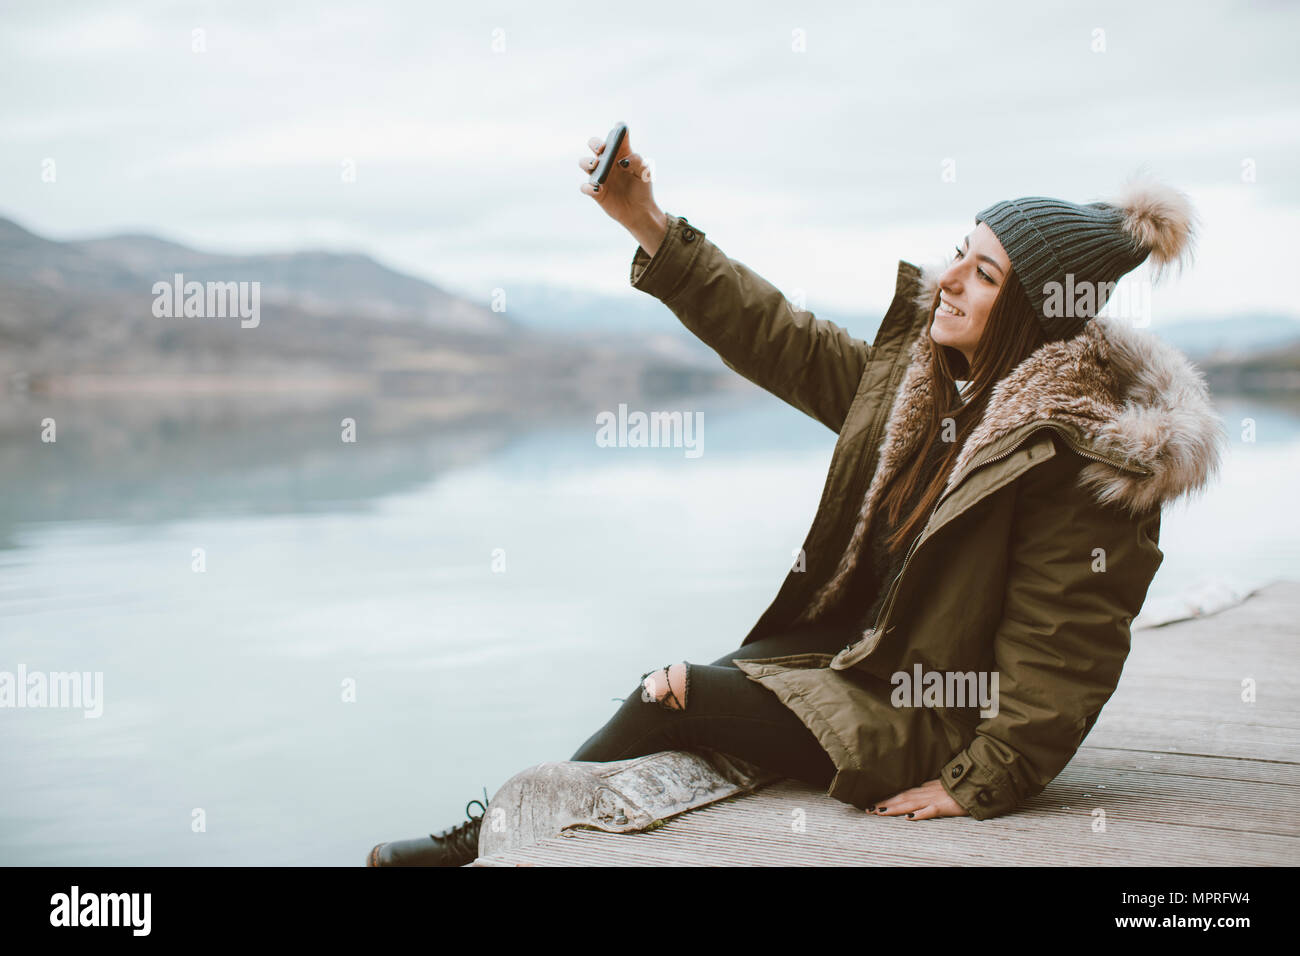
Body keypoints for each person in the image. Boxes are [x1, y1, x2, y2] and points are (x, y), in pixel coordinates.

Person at [367, 128, 1226, 866]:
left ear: (1035, 312)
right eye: (958, 251)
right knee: (677, 699)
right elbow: (780, 338)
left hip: (935, 721)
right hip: (858, 669)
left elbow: (1065, 647)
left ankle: (487, 849)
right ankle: (493, 842)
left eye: (985, 275)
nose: (950, 278)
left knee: (672, 693)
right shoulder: (925, 396)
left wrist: (982, 780)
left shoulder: (1074, 458)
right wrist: (649, 225)